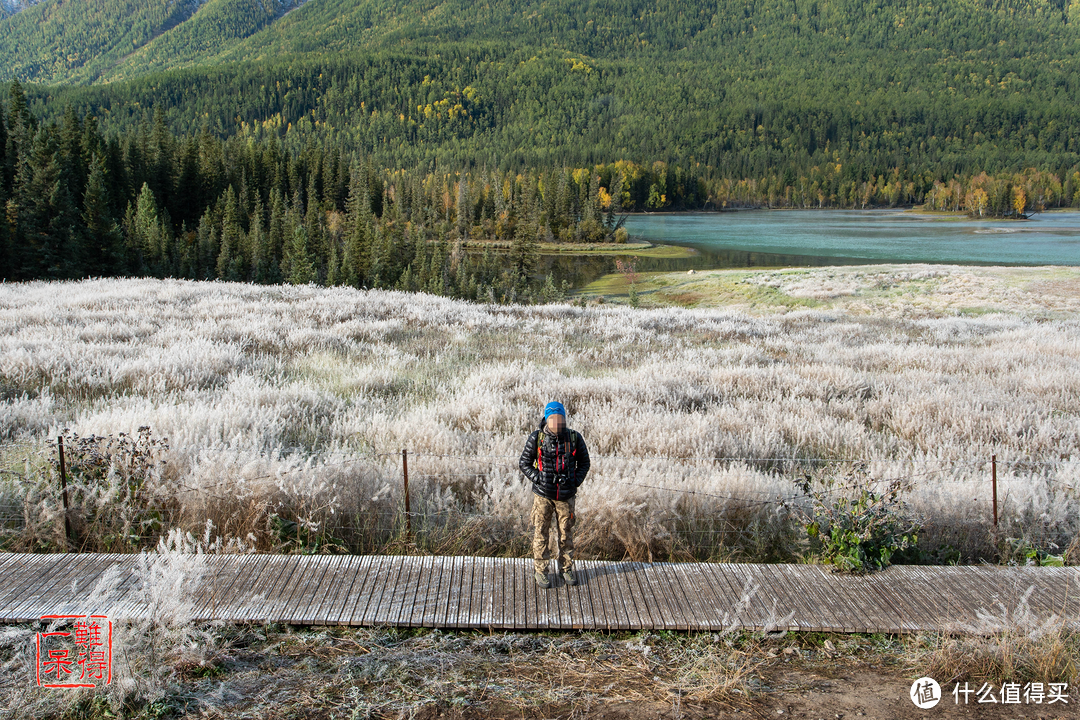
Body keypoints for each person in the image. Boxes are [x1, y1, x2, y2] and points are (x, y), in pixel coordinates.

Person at [518, 401, 590, 588]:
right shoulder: (537, 438)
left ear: (564, 419)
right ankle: (541, 572)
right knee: (541, 534)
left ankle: (565, 569)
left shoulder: (574, 438)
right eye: (552, 419)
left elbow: (584, 463)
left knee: (566, 535)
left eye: (560, 419)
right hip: (543, 496)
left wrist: (575, 481)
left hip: (566, 497)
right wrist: (538, 478)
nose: (556, 423)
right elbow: (524, 463)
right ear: (547, 419)